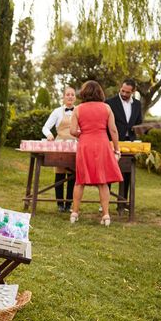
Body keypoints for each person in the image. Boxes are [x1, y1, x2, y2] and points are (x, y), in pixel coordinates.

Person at [69, 80, 123, 226]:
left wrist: (82, 133)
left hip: (85, 145)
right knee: (103, 181)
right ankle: (106, 215)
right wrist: (117, 149)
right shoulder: (107, 108)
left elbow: (72, 131)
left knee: (80, 180)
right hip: (102, 145)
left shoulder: (78, 109)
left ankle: (74, 213)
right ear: (99, 92)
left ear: (84, 92)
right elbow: (113, 130)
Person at [105, 79, 142, 206]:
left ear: (133, 91)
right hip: (111, 141)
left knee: (127, 172)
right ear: (120, 88)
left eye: (128, 92)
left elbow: (138, 123)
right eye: (123, 91)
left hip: (129, 142)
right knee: (109, 171)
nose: (124, 94)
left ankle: (122, 202)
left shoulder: (137, 104)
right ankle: (104, 202)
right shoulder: (109, 102)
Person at [42, 86, 78, 212]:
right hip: (60, 145)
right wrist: (49, 135)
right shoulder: (57, 111)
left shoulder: (79, 111)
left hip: (74, 146)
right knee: (59, 173)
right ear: (63, 97)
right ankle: (59, 204)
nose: (70, 96)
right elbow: (45, 127)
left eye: (72, 94)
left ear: (75, 97)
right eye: (67, 94)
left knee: (72, 175)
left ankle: (68, 204)